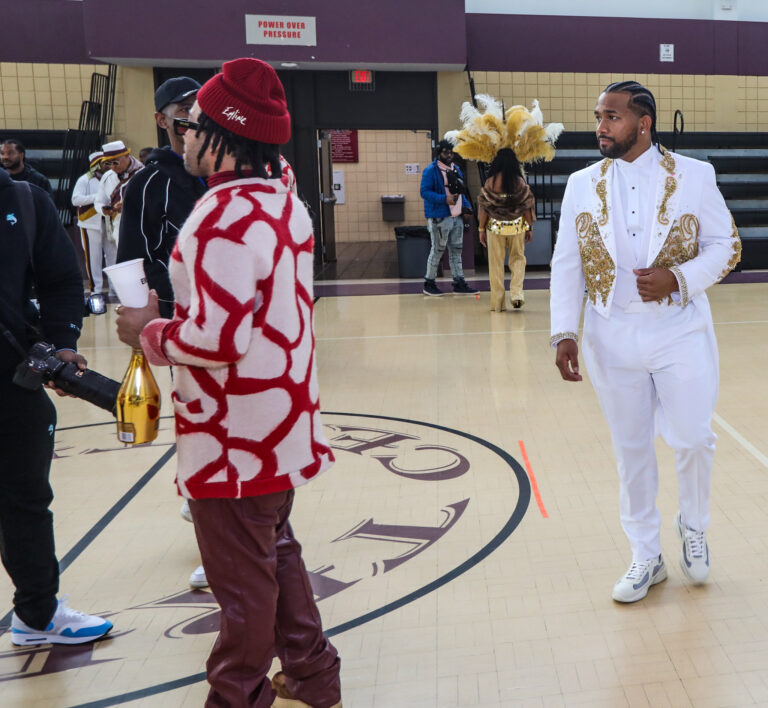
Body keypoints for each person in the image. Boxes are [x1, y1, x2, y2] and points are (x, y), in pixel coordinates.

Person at [115, 58, 342, 708]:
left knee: (242, 591)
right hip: (281, 427)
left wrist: (148, 333)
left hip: (232, 436)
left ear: (225, 135)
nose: (183, 136)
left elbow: (218, 339)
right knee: (280, 556)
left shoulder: (222, 217)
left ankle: (237, 696)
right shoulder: (283, 200)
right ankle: (311, 676)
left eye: (194, 126)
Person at [550, 81, 741, 603]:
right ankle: (645, 556)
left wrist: (678, 279)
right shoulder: (581, 183)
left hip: (679, 329)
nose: (600, 126)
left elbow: (727, 247)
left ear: (643, 123)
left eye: (611, 116)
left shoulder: (696, 176)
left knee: (694, 436)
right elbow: (567, 261)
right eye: (598, 116)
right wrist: (565, 331)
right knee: (631, 449)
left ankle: (694, 526)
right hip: (611, 336)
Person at [0, 166, 112, 646]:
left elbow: (62, 281)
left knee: (25, 499)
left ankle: (38, 614)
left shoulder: (24, 202)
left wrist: (62, 344)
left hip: (12, 380)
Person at [117, 76, 205, 320]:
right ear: (161, 120)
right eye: (186, 109)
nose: (197, 115)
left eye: (202, 107)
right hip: (182, 317)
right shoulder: (146, 184)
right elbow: (133, 259)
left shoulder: (229, 173)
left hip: (241, 313)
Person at [477, 148, 535, 311]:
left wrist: (481, 229)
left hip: (495, 227)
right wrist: (529, 227)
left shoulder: (490, 182)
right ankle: (516, 294)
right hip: (517, 226)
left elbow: (484, 209)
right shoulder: (519, 181)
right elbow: (527, 207)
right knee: (518, 259)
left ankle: (497, 303)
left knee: (495, 264)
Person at [420, 139, 477, 296]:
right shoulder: (430, 170)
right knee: (437, 250)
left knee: (456, 251)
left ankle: (459, 282)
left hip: (456, 215)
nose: (449, 155)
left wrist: (467, 207)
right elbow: (424, 192)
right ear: (439, 153)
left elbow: (461, 191)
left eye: (451, 152)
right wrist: (444, 199)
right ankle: (429, 283)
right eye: (446, 152)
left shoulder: (455, 168)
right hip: (440, 217)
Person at [71, 151, 112, 301]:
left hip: (108, 222)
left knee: (112, 256)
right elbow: (75, 200)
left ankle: (115, 289)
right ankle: (96, 290)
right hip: (89, 223)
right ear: (96, 164)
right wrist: (97, 198)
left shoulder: (112, 177)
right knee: (93, 258)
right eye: (104, 162)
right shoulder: (85, 180)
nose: (107, 165)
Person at [94, 140, 143, 248]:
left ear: (126, 155)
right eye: (108, 163)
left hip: (142, 229)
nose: (112, 167)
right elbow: (98, 202)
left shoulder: (143, 173)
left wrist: (129, 206)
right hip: (119, 230)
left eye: (115, 162)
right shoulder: (107, 177)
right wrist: (104, 209)